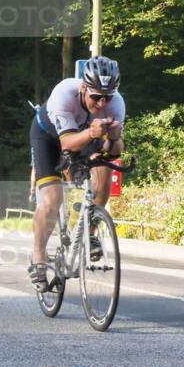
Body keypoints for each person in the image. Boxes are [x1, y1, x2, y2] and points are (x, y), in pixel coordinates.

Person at [29, 56, 125, 292]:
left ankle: (88, 231)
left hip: (85, 136)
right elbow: (67, 145)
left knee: (103, 174)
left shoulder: (116, 104)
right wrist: (94, 133)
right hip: (50, 139)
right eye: (96, 97)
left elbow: (114, 151)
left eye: (107, 97)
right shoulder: (64, 94)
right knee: (52, 199)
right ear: (83, 88)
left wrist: (113, 138)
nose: (102, 103)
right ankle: (38, 257)